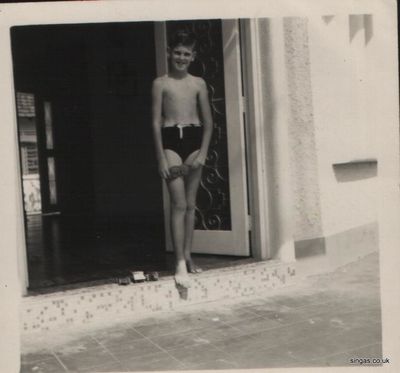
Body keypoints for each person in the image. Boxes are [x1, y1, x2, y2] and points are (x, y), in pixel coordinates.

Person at [152, 30, 213, 288]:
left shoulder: (198, 83)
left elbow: (209, 123)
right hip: (170, 140)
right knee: (177, 204)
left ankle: (188, 255)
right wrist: (161, 160)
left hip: (193, 139)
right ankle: (178, 262)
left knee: (190, 204)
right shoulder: (160, 83)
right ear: (169, 53)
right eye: (177, 52)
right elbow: (155, 123)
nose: (181, 57)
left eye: (186, 54)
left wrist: (203, 152)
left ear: (193, 56)